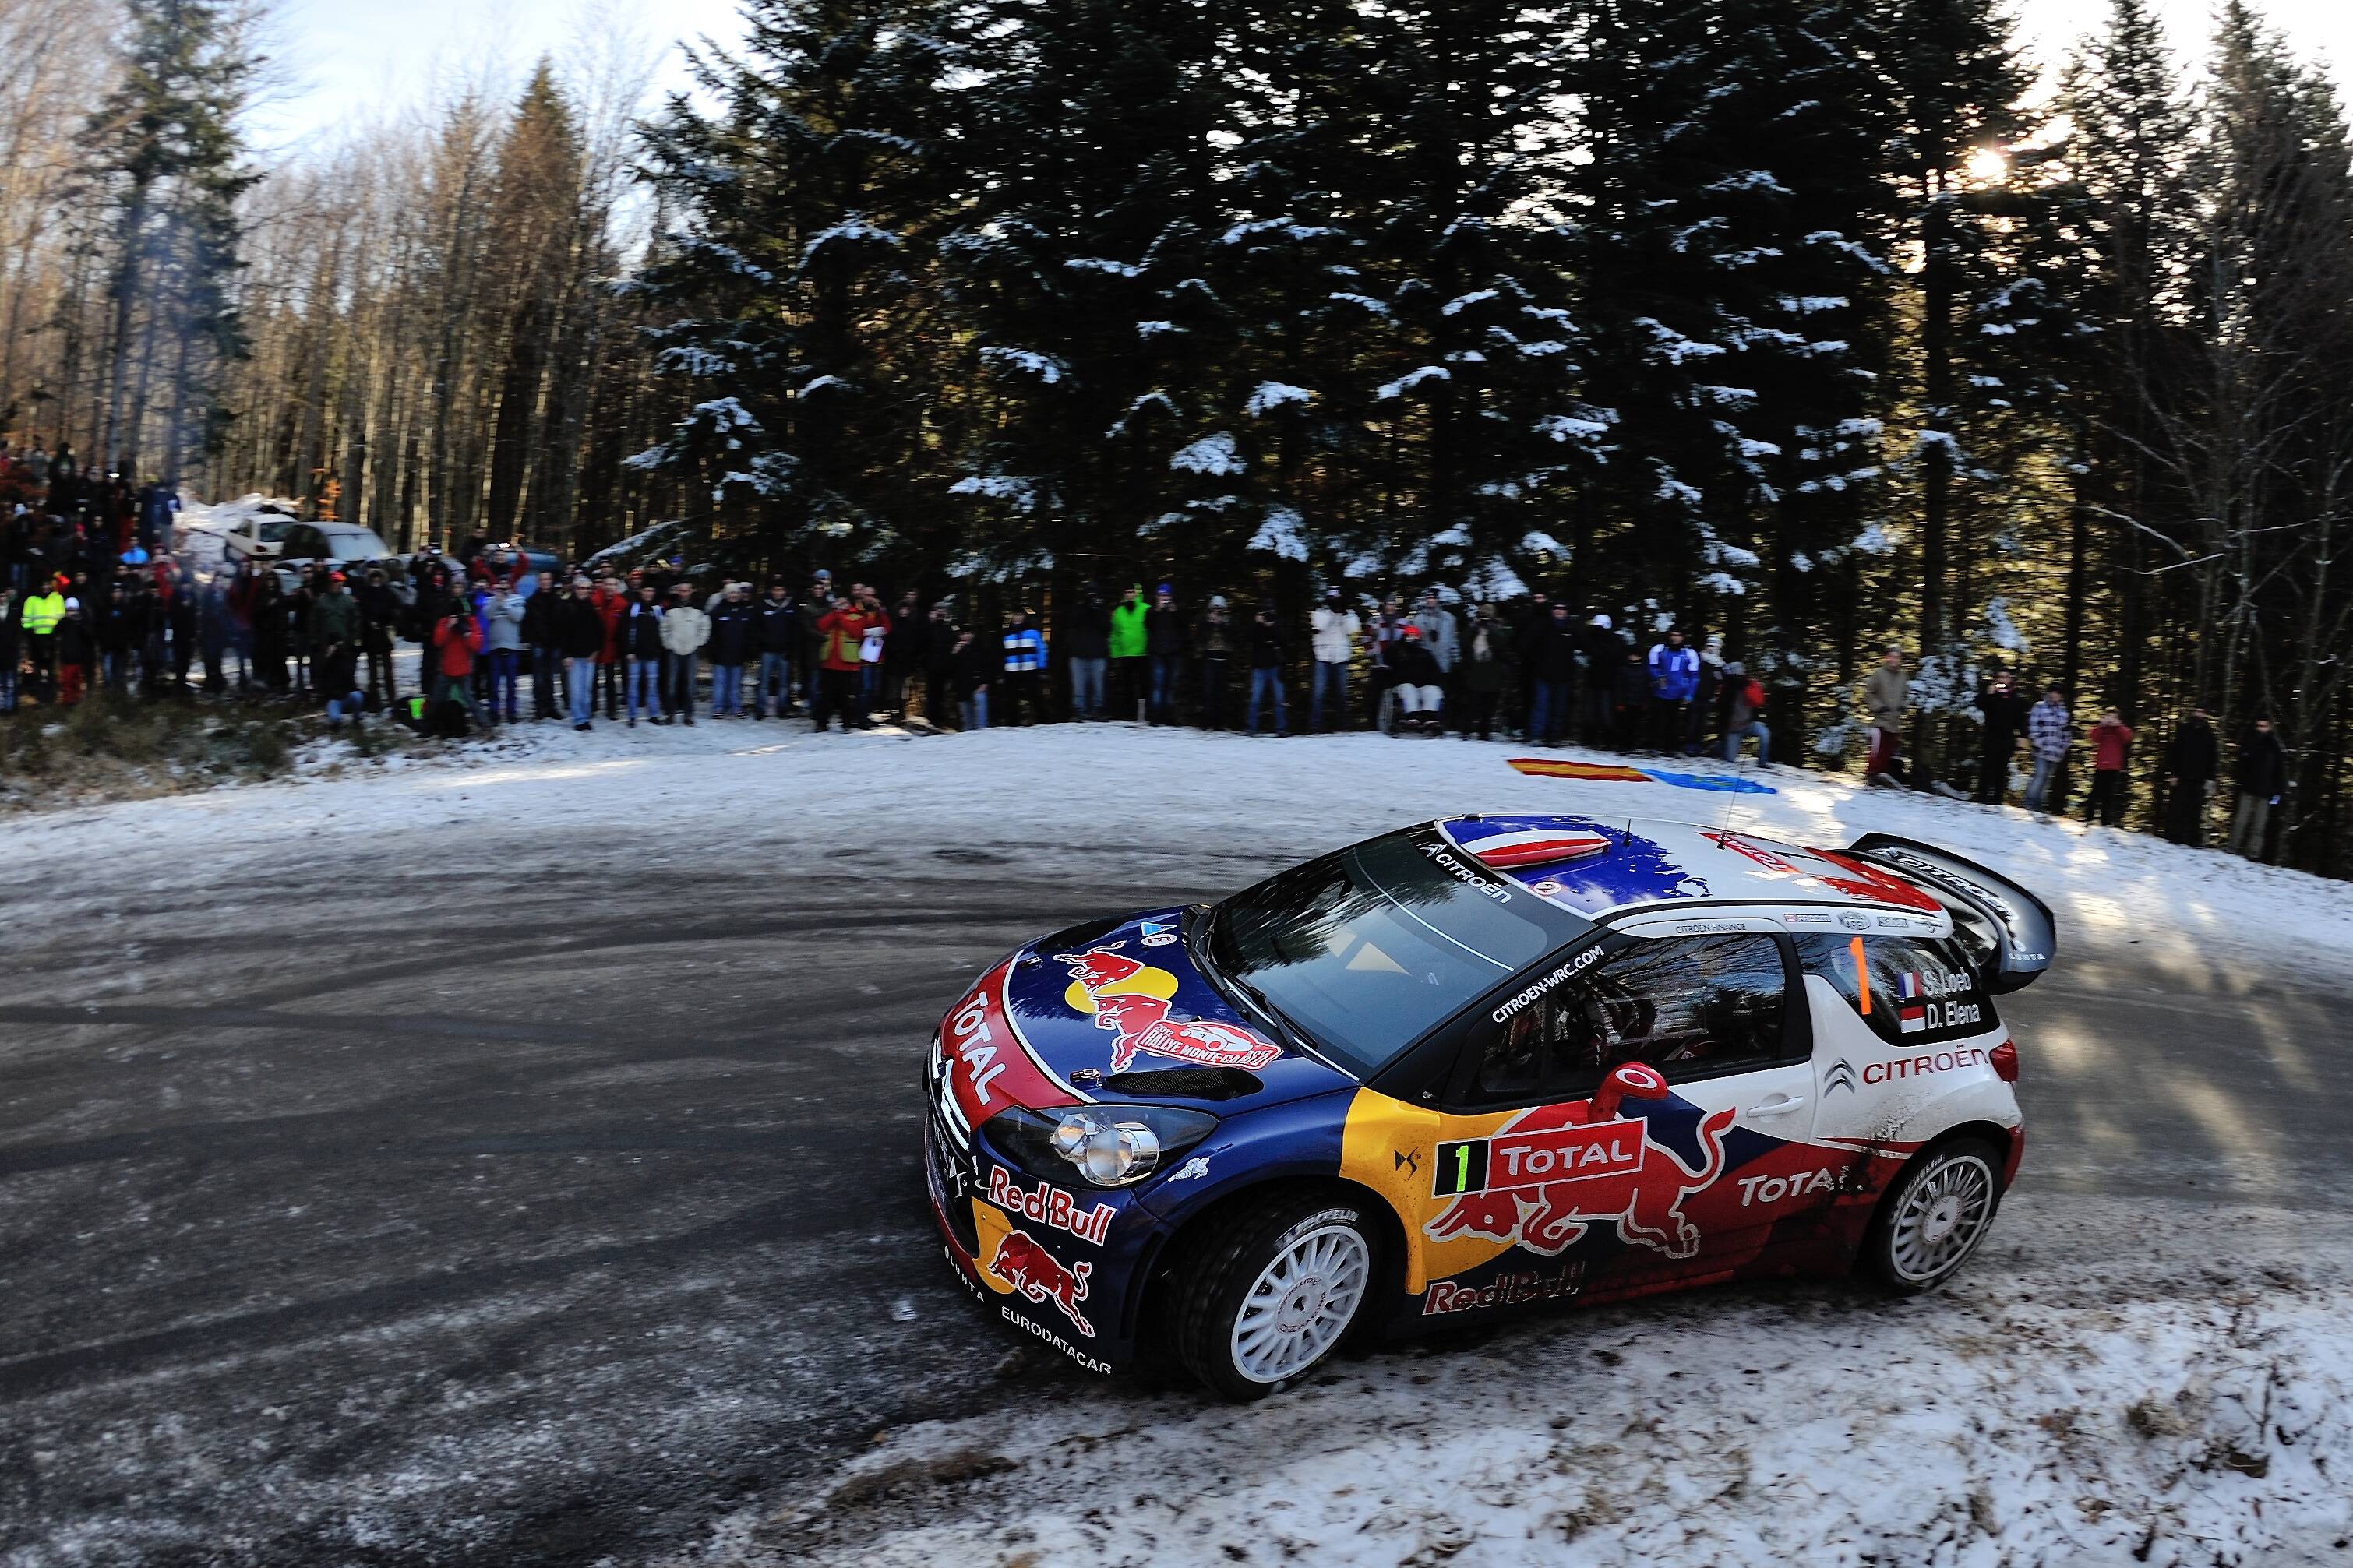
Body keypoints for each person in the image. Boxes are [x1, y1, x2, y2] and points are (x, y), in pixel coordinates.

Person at [2228, 715, 2288, 861]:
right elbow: (2241, 764)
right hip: (2248, 788)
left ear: (2269, 727)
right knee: (2241, 820)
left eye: (2264, 726)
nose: (2261, 729)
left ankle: (2253, 853)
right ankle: (2233, 847)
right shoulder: (2249, 741)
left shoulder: (2274, 746)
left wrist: (2278, 791)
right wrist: (2240, 781)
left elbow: (2280, 771)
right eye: (2259, 726)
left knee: (2259, 825)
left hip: (2265, 792)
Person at [812, 590, 873, 731]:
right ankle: (822, 723)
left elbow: (855, 632)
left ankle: (847, 724)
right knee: (825, 695)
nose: (841, 605)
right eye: (838, 602)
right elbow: (821, 626)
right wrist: (835, 613)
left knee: (846, 696)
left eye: (843, 602)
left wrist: (839, 615)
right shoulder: (832, 614)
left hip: (847, 664)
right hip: (829, 662)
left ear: (849, 604)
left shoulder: (857, 616)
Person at [2162, 708, 2221, 846]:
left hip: (2200, 779)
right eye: (2197, 711)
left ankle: (2192, 839)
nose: (2199, 714)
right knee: (2177, 807)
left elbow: (2212, 759)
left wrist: (2211, 780)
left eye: (2201, 712)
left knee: (2195, 810)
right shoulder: (2183, 729)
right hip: (2181, 776)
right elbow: (2174, 753)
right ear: (2193, 713)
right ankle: (2174, 835)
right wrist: (2173, 774)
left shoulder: (2209, 734)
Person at [428, 595, 483, 735]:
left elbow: (477, 645)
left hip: (464, 670)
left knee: (470, 700)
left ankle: (485, 725)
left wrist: (466, 633)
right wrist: (449, 627)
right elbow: (438, 642)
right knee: (436, 700)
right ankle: (427, 726)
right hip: (447, 670)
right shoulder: (444, 622)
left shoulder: (470, 622)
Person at [1528, 604, 1580, 745]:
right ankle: (1536, 735)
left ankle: (1554, 737)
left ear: (1566, 612)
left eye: (1562, 609)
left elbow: (1582, 645)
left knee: (1559, 707)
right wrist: (1537, 663)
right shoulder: (1543, 626)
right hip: (1543, 674)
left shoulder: (1571, 628)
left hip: (1563, 675)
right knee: (1541, 705)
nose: (1559, 611)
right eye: (1557, 608)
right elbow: (1530, 645)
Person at [1974, 670, 2028, 805]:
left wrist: (2023, 736)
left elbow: (2021, 720)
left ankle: (1998, 798)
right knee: (1986, 767)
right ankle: (1982, 796)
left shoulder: (2017, 699)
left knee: (2002, 769)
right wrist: (1988, 694)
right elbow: (1979, 704)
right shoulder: (1991, 695)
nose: (2002, 679)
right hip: (1990, 736)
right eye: (2000, 677)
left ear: (2010, 679)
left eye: (2005, 677)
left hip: (2007, 738)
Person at [1309, 589, 1360, 732]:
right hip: (1322, 657)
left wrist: (1344, 613)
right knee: (1318, 694)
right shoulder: (1320, 612)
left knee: (1342, 694)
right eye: (1333, 599)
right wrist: (1331, 612)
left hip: (1341, 658)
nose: (1336, 602)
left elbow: (1352, 629)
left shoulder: (1348, 613)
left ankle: (1341, 726)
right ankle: (1315, 726)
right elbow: (1320, 625)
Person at [558, 576, 605, 730]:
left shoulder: (592, 607)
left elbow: (599, 632)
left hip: (589, 656)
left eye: (586, 588)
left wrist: (596, 651)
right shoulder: (567, 606)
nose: (583, 591)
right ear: (575, 589)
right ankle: (578, 719)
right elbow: (562, 634)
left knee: (587, 690)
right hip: (573, 656)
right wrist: (566, 655)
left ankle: (585, 717)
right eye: (580, 588)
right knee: (576, 690)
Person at [661, 580, 711, 724]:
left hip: (691, 651)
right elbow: (663, 628)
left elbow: (705, 627)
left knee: (690, 685)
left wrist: (699, 642)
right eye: (681, 591)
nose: (684, 593)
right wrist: (668, 643)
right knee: (671, 684)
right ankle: (670, 713)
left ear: (691, 591)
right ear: (678, 592)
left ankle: (688, 714)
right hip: (674, 650)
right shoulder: (671, 608)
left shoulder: (699, 608)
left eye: (686, 590)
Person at [1458, 604, 1509, 741]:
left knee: (1489, 706)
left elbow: (1502, 646)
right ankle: (1466, 729)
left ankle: (1484, 732)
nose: (1484, 618)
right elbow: (1463, 643)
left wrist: (1490, 628)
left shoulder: (1498, 628)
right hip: (1474, 671)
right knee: (1471, 704)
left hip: (1492, 673)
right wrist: (1474, 627)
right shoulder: (1472, 628)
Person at [1645, 628, 1699, 752]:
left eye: (1678, 635)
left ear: (1683, 637)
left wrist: (1690, 693)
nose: (1675, 638)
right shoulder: (1659, 649)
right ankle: (1653, 746)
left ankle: (1670, 748)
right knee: (1656, 719)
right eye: (1673, 635)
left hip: (1678, 693)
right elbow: (1651, 666)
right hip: (1660, 691)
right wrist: (1658, 677)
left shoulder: (1689, 653)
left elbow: (1694, 676)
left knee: (1674, 721)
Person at [706, 583, 755, 717]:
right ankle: (718, 708)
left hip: (738, 654)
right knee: (720, 684)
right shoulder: (717, 610)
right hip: (720, 654)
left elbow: (750, 633)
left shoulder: (745, 611)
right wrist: (711, 651)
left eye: (736, 593)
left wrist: (749, 650)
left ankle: (736, 707)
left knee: (735, 684)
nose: (734, 595)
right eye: (731, 593)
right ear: (726, 594)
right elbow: (711, 633)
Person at [482, 576, 526, 724]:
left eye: (505, 585)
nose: (503, 588)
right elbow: (487, 615)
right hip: (494, 647)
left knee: (511, 683)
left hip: (512, 646)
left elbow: (518, 617)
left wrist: (505, 604)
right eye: (500, 585)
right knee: (494, 683)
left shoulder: (517, 599)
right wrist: (496, 600)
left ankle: (511, 712)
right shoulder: (490, 600)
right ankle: (494, 712)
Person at [1388, 623, 1445, 736]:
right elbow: (1388, 662)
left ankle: (1430, 719)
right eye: (1409, 636)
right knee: (1409, 689)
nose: (1412, 638)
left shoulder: (1425, 653)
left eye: (1414, 636)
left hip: (1423, 684)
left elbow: (1436, 671)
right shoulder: (1397, 652)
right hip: (1404, 684)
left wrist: (1435, 682)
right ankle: (1412, 717)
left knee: (1432, 690)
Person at [623, 581, 666, 726]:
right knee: (633, 686)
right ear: (641, 591)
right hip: (635, 655)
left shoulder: (657, 609)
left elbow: (663, 630)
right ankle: (632, 716)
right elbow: (624, 630)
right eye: (646, 590)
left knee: (652, 686)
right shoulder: (632, 608)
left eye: (651, 591)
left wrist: (660, 648)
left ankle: (654, 714)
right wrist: (629, 651)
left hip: (652, 655)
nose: (649, 594)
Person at [1063, 584, 1109, 720]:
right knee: (1078, 686)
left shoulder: (1102, 610)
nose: (1091, 597)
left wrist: (1097, 610)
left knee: (1098, 685)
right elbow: (1072, 622)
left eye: (1093, 594)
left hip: (1098, 653)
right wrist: (1086, 608)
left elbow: (1107, 628)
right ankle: (1079, 710)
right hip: (1078, 653)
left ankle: (1097, 709)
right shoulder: (1078, 609)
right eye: (1089, 594)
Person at [1863, 646, 1908, 781]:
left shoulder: (1903, 676)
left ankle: (1881, 778)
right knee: (1877, 750)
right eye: (1892, 656)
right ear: (1886, 657)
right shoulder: (1879, 674)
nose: (1894, 659)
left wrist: (1903, 706)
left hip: (1895, 722)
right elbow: (1868, 693)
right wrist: (1878, 707)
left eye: (1897, 657)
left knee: (1888, 751)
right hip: (1880, 720)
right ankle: (1871, 776)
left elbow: (1906, 695)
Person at [520, 569, 562, 720]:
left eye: (547, 579)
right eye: (542, 580)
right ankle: (539, 707)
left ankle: (551, 707)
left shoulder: (557, 600)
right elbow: (526, 624)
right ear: (539, 582)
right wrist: (530, 639)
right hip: (538, 643)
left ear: (551, 581)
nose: (545, 582)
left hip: (554, 643)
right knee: (538, 677)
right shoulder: (532, 601)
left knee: (550, 677)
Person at [1244, 601, 1288, 737]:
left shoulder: (1278, 623)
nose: (1268, 615)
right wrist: (1257, 624)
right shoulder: (1257, 625)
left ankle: (1281, 729)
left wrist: (1272, 626)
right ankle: (1251, 728)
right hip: (1259, 667)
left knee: (1279, 699)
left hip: (1276, 666)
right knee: (1255, 699)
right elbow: (1247, 638)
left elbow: (1285, 640)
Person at [2084, 707, 2134, 826]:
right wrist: (2102, 726)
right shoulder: (2103, 729)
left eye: (2113, 717)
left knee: (2109, 795)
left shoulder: (2121, 730)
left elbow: (2127, 737)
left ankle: (2105, 821)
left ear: (2118, 719)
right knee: (2095, 793)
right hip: (2101, 766)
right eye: (2109, 717)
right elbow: (2093, 737)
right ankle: (2088, 817)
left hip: (2113, 768)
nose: (2111, 720)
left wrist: (2118, 726)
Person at [755, 580, 797, 718]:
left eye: (781, 590)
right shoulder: (763, 606)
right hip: (767, 651)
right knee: (764, 682)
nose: (779, 592)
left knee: (784, 683)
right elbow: (757, 628)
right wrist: (761, 644)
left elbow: (795, 630)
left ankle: (782, 709)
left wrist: (792, 649)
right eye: (776, 589)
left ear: (785, 591)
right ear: (772, 591)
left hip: (784, 651)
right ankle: (760, 709)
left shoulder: (790, 607)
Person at [2023, 686, 2069, 812]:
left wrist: (2063, 746)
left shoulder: (2063, 711)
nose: (2055, 695)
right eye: (2054, 693)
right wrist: (2037, 742)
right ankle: (2030, 801)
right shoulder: (2039, 706)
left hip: (2056, 751)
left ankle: (2040, 803)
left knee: (2048, 777)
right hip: (2041, 749)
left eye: (2058, 693)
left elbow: (2066, 732)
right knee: (2040, 774)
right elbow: (2033, 725)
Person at [1145, 584, 1185, 724]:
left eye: (1166, 595)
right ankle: (1155, 716)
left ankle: (1168, 716)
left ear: (1171, 597)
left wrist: (1175, 612)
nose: (1163, 598)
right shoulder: (1151, 611)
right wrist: (1157, 611)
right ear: (1157, 597)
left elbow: (1184, 627)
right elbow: (1147, 625)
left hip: (1173, 652)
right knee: (1158, 685)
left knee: (1171, 686)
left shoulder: (1177, 610)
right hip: (1157, 653)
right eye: (1161, 595)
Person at [1000, 607, 1046, 724]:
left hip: (1030, 669)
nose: (1018, 617)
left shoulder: (1033, 633)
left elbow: (1041, 650)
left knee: (1035, 696)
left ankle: (1043, 721)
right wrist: (1001, 671)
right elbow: (1000, 654)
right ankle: (1013, 723)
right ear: (1012, 617)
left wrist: (1041, 667)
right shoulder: (1006, 634)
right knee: (1011, 698)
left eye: (1020, 615)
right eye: (1016, 615)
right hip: (1011, 670)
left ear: (1024, 616)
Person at [1108, 583, 1148, 720]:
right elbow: (1114, 634)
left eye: (1132, 592)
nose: (1130, 595)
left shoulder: (1146, 609)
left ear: (1137, 593)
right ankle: (1129, 715)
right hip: (1125, 654)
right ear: (1125, 594)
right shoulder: (1118, 612)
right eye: (1128, 592)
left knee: (1144, 685)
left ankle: (1143, 715)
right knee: (1127, 685)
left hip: (1143, 654)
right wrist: (1115, 653)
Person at [1195, 594, 1233, 729]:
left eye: (1220, 609)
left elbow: (1233, 639)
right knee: (1208, 690)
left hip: (1223, 659)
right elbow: (1200, 639)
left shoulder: (1229, 621)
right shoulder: (1204, 620)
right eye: (1215, 608)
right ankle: (1206, 721)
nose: (1217, 611)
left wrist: (1222, 625)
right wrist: (1210, 624)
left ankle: (1220, 723)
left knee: (1221, 692)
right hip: (1208, 658)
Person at [1720, 662, 1769, 763]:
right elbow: (1722, 709)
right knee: (1729, 759)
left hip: (1749, 725)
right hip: (1733, 729)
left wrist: (1746, 687)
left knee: (1764, 732)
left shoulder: (1749, 685)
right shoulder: (1727, 688)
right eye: (1739, 671)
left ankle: (1763, 762)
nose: (1741, 672)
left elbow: (1758, 701)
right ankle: (1719, 747)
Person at [950, 626, 991, 731]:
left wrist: (985, 682)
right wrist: (954, 654)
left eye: (969, 633)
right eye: (964, 633)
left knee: (980, 702)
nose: (966, 636)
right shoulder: (955, 648)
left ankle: (981, 728)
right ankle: (968, 731)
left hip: (978, 683)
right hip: (962, 685)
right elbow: (950, 669)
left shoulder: (980, 647)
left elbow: (986, 666)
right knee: (966, 714)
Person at [52, 597, 90, 704]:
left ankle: (76, 700)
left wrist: (80, 622)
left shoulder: (81, 623)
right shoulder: (63, 622)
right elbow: (55, 632)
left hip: (78, 658)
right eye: (69, 610)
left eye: (73, 610)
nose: (71, 613)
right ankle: (68, 702)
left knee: (77, 682)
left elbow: (87, 636)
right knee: (67, 682)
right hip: (67, 658)